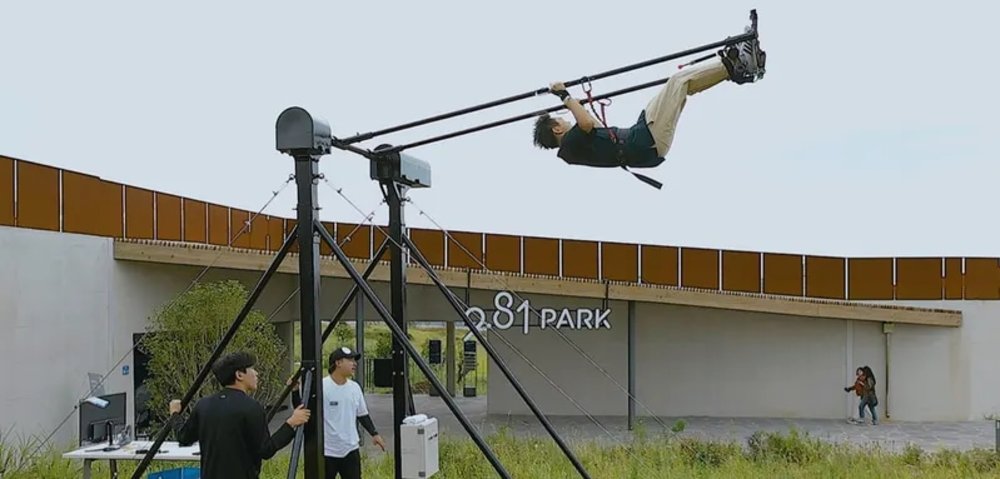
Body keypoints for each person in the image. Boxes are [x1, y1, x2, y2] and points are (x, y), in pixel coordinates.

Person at [531, 34, 766, 188]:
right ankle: (736, 64)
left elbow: (590, 122)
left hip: (643, 137)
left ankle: (733, 66)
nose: (566, 119)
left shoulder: (578, 145)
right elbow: (586, 123)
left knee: (678, 86)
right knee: (677, 81)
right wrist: (564, 96)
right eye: (560, 119)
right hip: (645, 141)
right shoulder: (569, 145)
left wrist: (575, 100)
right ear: (557, 129)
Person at [167, 351, 311, 479]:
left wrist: (175, 414)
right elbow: (266, 450)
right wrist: (290, 424)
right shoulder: (251, 407)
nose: (256, 373)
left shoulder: (203, 405)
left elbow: (183, 437)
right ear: (239, 375)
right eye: (252, 369)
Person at [292, 346, 386, 479]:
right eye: (350, 360)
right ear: (338, 363)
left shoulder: (355, 388)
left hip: (350, 450)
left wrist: (374, 434)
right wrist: (295, 392)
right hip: (327, 451)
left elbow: (362, 414)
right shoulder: (322, 387)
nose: (354, 364)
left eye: (354, 360)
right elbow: (303, 412)